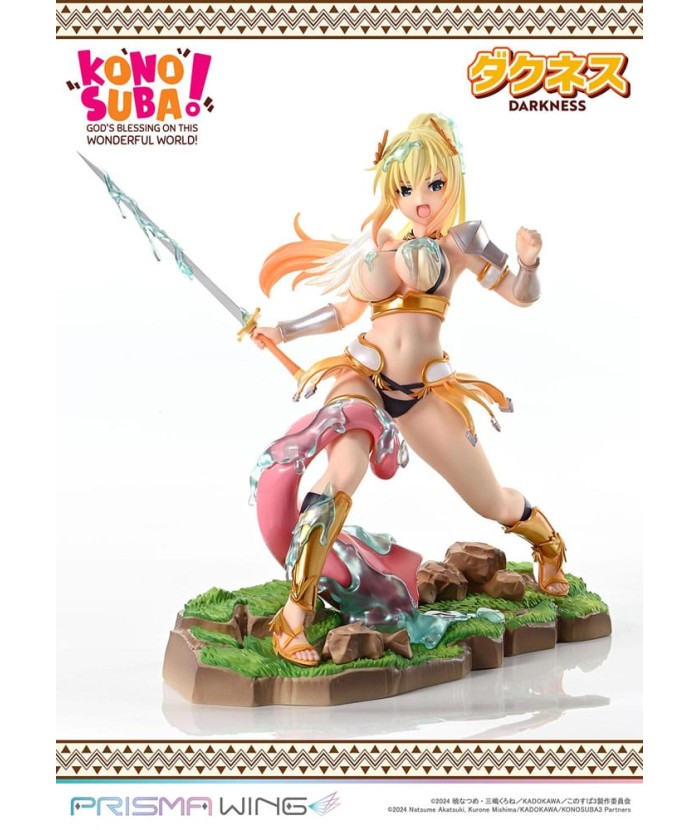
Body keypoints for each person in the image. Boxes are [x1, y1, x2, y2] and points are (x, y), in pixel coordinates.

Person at [250, 113, 569, 667]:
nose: (419, 200)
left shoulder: (465, 242)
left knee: (489, 499)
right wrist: (284, 330)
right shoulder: (379, 243)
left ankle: (549, 545)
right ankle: (293, 616)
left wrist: (528, 261)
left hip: (422, 392)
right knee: (342, 474)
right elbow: (344, 311)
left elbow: (522, 295)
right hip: (362, 377)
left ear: (452, 179)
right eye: (405, 188)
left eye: (433, 184)